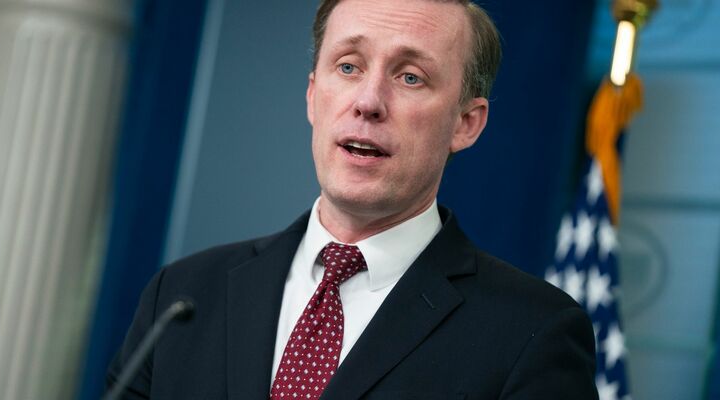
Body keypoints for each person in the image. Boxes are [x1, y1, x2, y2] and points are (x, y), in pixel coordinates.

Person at [107, 0, 599, 398]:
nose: (367, 102)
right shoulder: (181, 296)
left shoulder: (533, 332)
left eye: (410, 76)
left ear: (466, 123)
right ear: (312, 95)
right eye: (348, 67)